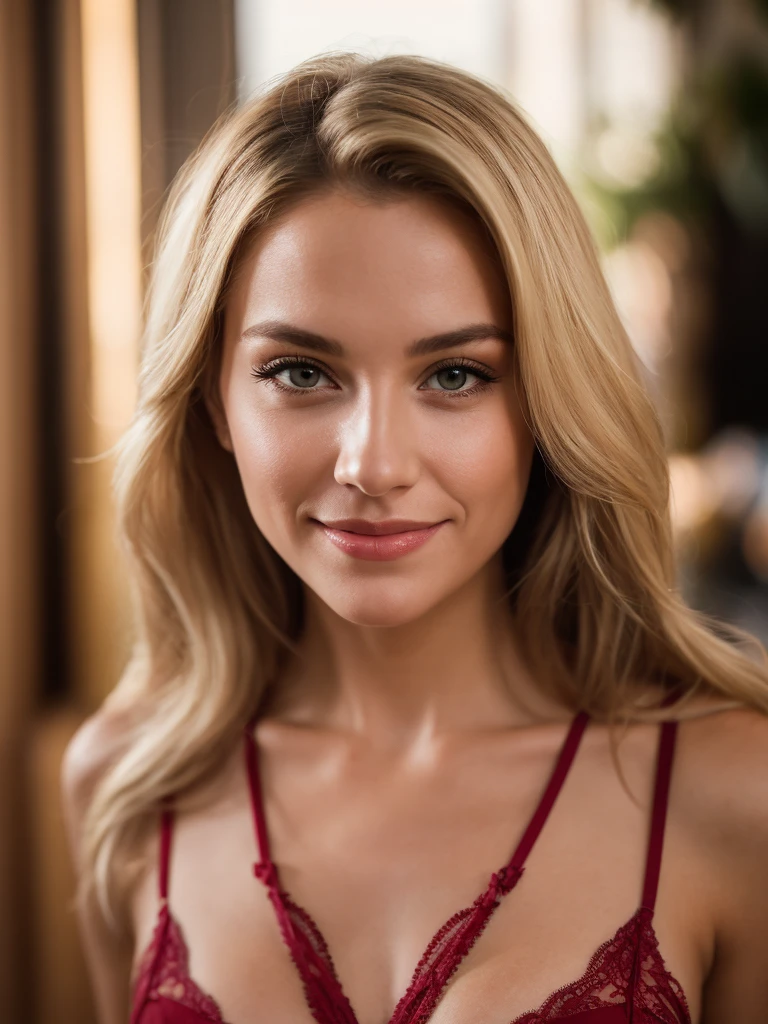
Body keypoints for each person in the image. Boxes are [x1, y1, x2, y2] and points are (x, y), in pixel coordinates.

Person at [61, 52, 768, 1024]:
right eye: (302, 372)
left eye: (455, 376)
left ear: (547, 401)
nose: (375, 464)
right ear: (213, 400)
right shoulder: (132, 786)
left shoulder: (737, 794)